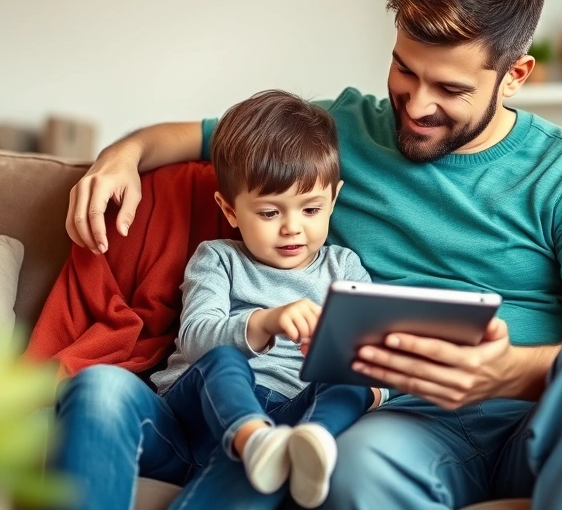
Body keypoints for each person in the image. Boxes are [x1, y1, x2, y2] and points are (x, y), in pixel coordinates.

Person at [56, 0, 562, 510]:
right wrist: (123, 157)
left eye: (449, 88)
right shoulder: (344, 132)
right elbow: (204, 137)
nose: (416, 106)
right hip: (414, 426)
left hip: (547, 417)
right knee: (351, 469)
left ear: (515, 75)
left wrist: (511, 371)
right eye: (404, 70)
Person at [146, 90, 384, 508]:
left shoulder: (343, 268)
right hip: (205, 410)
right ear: (231, 209)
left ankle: (313, 442)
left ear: (334, 199)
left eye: (310, 210)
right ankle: (256, 441)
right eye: (270, 213)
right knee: (223, 359)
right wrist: (265, 322)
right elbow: (196, 339)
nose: (292, 228)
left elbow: (372, 353)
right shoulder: (219, 258)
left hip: (290, 417)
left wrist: (358, 369)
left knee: (358, 377)